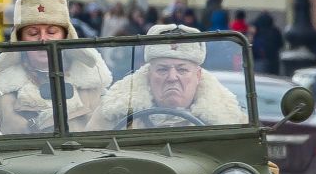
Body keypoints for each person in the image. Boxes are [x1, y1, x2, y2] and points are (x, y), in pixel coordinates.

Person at [0, 0, 111, 134]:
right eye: (33, 33)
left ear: (65, 37)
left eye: (52, 32)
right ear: (20, 40)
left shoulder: (92, 84)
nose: (43, 39)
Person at [90, 25, 249, 129]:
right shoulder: (113, 114)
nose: (172, 77)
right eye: (162, 69)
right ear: (148, 73)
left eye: (182, 70)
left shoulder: (230, 120)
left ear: (198, 76)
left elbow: (250, 163)